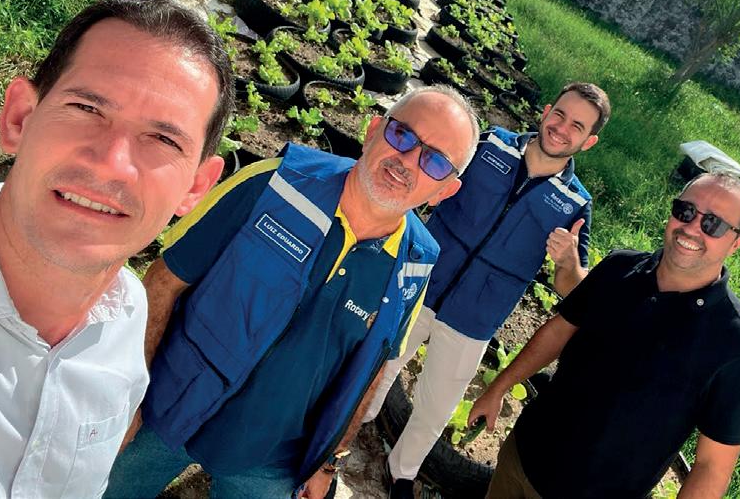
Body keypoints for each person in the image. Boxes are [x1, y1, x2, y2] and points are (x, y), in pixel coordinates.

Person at [104, 86, 480, 499]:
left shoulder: (415, 265)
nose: (407, 160)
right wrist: (128, 394)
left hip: (271, 459)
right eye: (402, 135)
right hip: (165, 407)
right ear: (373, 130)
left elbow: (370, 372)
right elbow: (164, 280)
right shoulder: (276, 184)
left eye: (435, 161)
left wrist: (330, 459)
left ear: (445, 191)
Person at [0, 0, 234, 498]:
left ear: (196, 188)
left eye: (163, 140)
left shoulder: (129, 315)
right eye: (87, 108)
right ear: (19, 118)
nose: (113, 163)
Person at [363, 82, 610, 498]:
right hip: (421, 282)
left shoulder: (574, 202)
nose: (562, 128)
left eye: (577, 126)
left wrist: (569, 263)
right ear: (546, 111)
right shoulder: (490, 143)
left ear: (589, 142)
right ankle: (348, 431)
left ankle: (401, 471)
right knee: (378, 366)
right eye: (560, 115)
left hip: (475, 319)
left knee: (436, 408)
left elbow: (571, 289)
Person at [470, 172, 740, 498]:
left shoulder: (739, 350)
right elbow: (559, 330)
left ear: (737, 242)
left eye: (713, 224)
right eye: (685, 211)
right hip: (522, 456)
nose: (692, 227)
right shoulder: (619, 268)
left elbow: (712, 467)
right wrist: (499, 387)